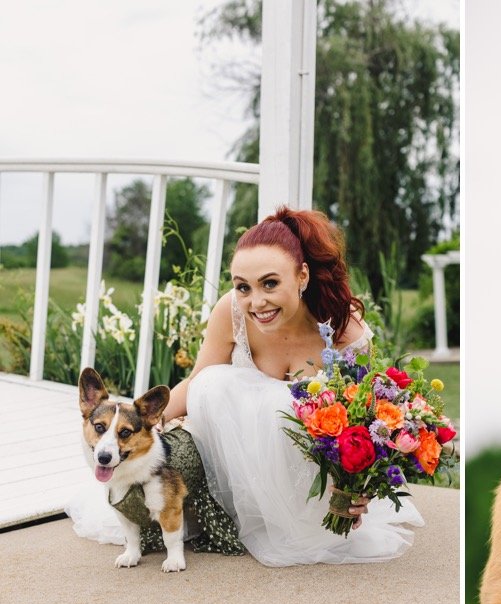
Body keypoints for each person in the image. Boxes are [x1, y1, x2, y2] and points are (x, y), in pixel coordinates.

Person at [69, 208, 425, 567]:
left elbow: (366, 424)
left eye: (270, 284)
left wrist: (357, 489)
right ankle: (227, 506)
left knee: (283, 408)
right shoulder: (232, 312)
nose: (256, 302)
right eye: (243, 287)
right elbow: (195, 383)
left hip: (305, 482)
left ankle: (288, 517)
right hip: (235, 469)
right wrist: (146, 422)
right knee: (212, 383)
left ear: (302, 276)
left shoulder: (346, 333)